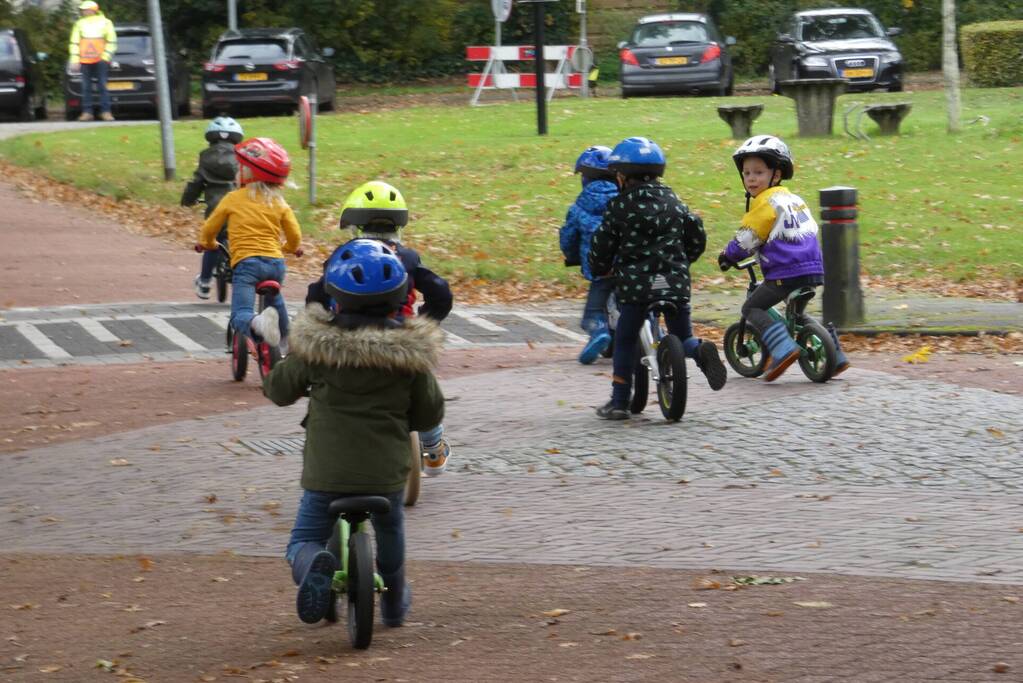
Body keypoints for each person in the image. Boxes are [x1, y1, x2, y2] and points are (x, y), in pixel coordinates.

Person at [263, 238, 445, 627]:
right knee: (391, 526)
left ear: (334, 299)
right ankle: (394, 604)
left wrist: (282, 361)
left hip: (326, 473)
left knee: (302, 540)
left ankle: (314, 562)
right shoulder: (410, 360)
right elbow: (431, 411)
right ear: (400, 298)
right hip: (386, 473)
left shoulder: (316, 351)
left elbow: (279, 391)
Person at [306, 180, 452, 475]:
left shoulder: (343, 257)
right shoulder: (408, 258)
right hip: (399, 338)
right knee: (424, 387)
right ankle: (433, 450)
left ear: (356, 224)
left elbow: (316, 296)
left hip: (349, 337)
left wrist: (321, 320)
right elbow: (441, 292)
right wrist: (427, 318)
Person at [589, 136, 727, 420]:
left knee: (625, 340)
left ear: (622, 177)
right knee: (683, 335)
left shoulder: (620, 207)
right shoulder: (674, 202)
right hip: (674, 281)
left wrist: (600, 267)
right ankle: (699, 351)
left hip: (636, 287)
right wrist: (684, 260)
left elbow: (602, 243)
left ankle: (619, 402)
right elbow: (696, 234)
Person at [718, 134, 850, 381]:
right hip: (812, 269)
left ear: (776, 175)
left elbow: (748, 237)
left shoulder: (765, 202)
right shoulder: (794, 200)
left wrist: (728, 255)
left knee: (752, 307)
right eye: (747, 173)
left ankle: (783, 349)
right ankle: (835, 355)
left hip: (784, 272)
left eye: (758, 172)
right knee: (797, 315)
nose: (751, 179)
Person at [195, 137, 302, 350]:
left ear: (247, 174)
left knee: (240, 313)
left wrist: (208, 243)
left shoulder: (233, 198)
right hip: (275, 265)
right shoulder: (278, 201)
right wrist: (289, 248)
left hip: (247, 264)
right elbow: (294, 235)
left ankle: (257, 323)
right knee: (276, 301)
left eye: (239, 168)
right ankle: (288, 344)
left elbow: (209, 228)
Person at [558, 145, 618, 364]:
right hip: (630, 265)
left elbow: (569, 238)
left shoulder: (578, 207)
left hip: (600, 269)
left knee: (593, 312)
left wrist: (572, 255)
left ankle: (599, 330)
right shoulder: (624, 200)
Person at [181, 116, 244, 300]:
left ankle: (205, 282)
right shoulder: (241, 157)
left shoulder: (205, 157)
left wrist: (188, 200)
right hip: (238, 206)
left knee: (211, 242)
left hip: (215, 208)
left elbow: (196, 183)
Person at [68, 0, 117, 122]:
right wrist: (75, 59)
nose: (83, 11)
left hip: (100, 60)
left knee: (102, 86)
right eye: (82, 10)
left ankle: (106, 112)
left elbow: (112, 41)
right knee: (86, 87)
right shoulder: (79, 23)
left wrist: (105, 57)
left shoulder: (106, 23)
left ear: (93, 10)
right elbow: (74, 42)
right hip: (84, 60)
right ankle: (87, 112)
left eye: (85, 9)